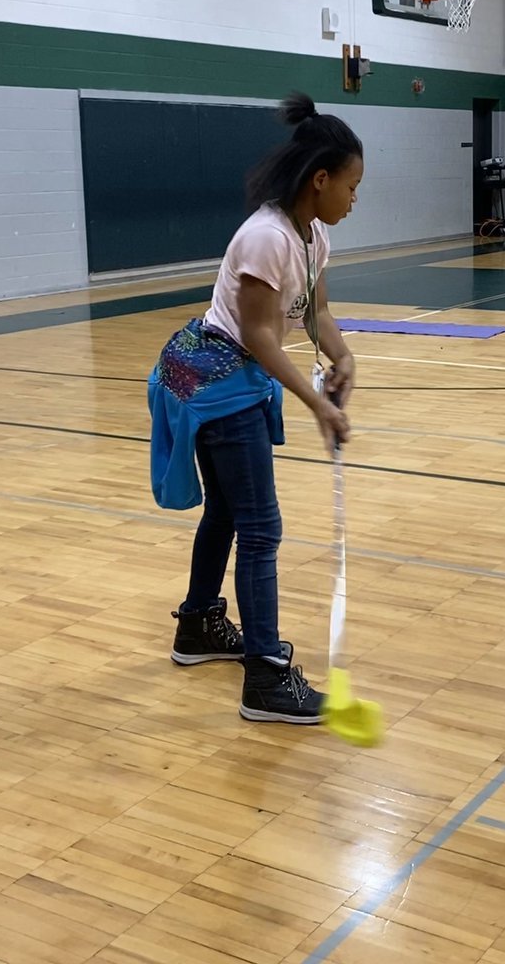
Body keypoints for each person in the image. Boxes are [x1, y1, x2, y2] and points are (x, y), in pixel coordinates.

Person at [147, 93, 363, 725]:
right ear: (320, 180)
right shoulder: (267, 238)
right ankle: (265, 679)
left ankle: (197, 626)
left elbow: (316, 311)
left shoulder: (312, 233)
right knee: (261, 527)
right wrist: (317, 405)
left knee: (228, 511)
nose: (354, 199)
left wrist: (343, 357)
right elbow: (262, 336)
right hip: (216, 380)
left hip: (234, 373)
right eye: (351, 186)